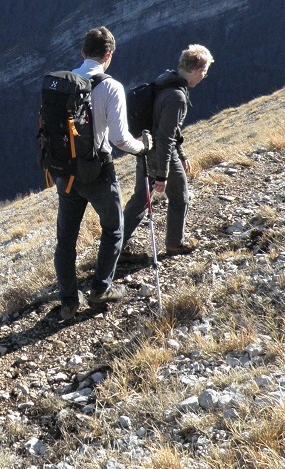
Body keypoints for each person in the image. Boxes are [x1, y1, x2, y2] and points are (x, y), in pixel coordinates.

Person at [51, 27, 152, 321]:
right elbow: (120, 139)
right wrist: (142, 147)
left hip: (65, 172)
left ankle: (68, 301)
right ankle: (100, 289)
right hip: (97, 171)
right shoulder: (110, 87)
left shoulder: (62, 83)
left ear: (82, 53)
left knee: (66, 239)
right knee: (114, 227)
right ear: (109, 55)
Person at [122, 44, 214, 258]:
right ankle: (175, 243)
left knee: (140, 198)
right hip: (163, 154)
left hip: (146, 149)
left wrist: (182, 155)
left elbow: (169, 130)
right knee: (180, 196)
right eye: (205, 72)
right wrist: (162, 175)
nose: (204, 77)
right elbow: (166, 137)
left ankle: (117, 246)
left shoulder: (164, 81)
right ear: (198, 69)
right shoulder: (177, 97)